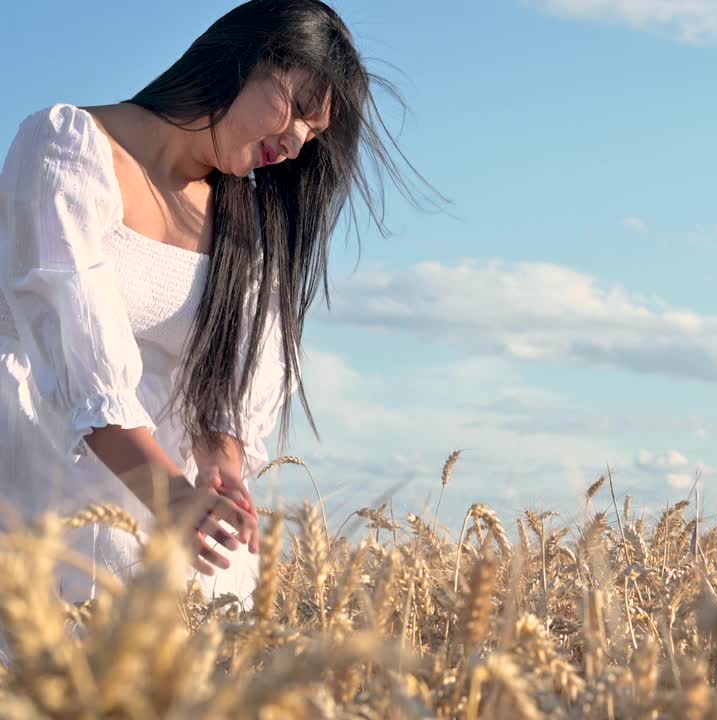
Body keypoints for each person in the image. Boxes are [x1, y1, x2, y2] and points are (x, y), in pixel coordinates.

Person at [0, 0, 442, 609]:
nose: (293, 144)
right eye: (297, 110)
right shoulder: (66, 147)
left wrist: (221, 465)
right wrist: (170, 496)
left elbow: (230, 373)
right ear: (243, 58)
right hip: (45, 465)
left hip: (176, 506)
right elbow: (77, 354)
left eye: (312, 138)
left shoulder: (246, 219)